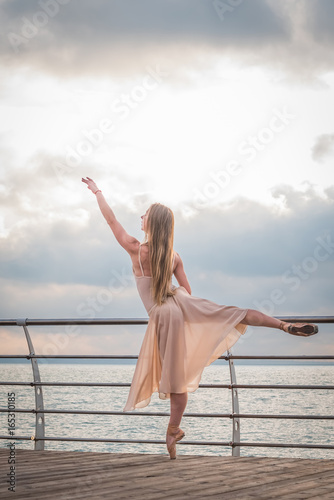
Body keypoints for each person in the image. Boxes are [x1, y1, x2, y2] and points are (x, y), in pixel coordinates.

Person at [81, 176, 318, 459]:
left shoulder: (137, 249)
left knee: (175, 379)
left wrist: (97, 192)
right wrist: (176, 294)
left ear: (152, 223)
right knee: (233, 313)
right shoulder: (174, 255)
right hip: (180, 304)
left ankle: (172, 431)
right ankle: (283, 325)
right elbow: (189, 291)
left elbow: (111, 221)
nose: (140, 217)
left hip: (162, 314)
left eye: (144, 214)